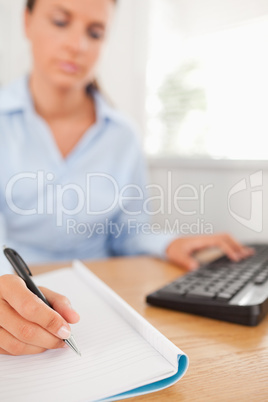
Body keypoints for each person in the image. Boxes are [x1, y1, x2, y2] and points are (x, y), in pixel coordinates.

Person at [0, 0, 253, 356]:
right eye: (60, 21)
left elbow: (129, 230)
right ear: (27, 22)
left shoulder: (124, 136)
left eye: (95, 32)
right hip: (18, 295)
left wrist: (169, 244)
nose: (78, 44)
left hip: (104, 296)